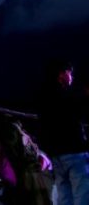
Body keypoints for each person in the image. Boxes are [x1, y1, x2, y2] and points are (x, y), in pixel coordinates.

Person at [37, 60, 88, 205]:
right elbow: (80, 112)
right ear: (60, 74)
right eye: (69, 72)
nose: (71, 76)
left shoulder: (44, 96)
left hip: (57, 154)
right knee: (81, 193)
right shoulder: (66, 96)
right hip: (74, 152)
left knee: (63, 194)